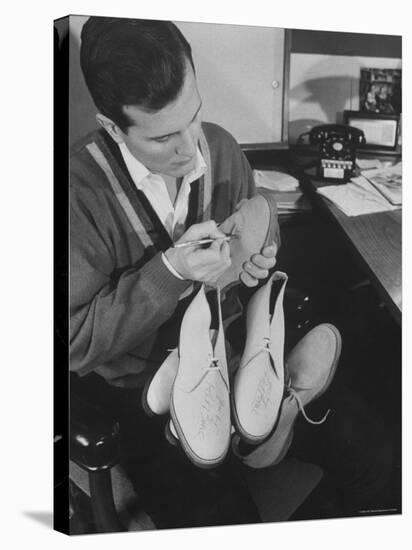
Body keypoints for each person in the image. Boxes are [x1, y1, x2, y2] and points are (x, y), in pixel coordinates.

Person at [70, 17, 393, 530]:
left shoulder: (219, 146)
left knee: (381, 460)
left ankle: (262, 421)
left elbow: (259, 242)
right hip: (139, 390)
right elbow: (75, 343)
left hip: (238, 345)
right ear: (113, 127)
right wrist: (170, 269)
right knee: (226, 521)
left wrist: (261, 254)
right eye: (163, 137)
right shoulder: (73, 193)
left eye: (193, 116)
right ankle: (253, 436)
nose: (189, 147)